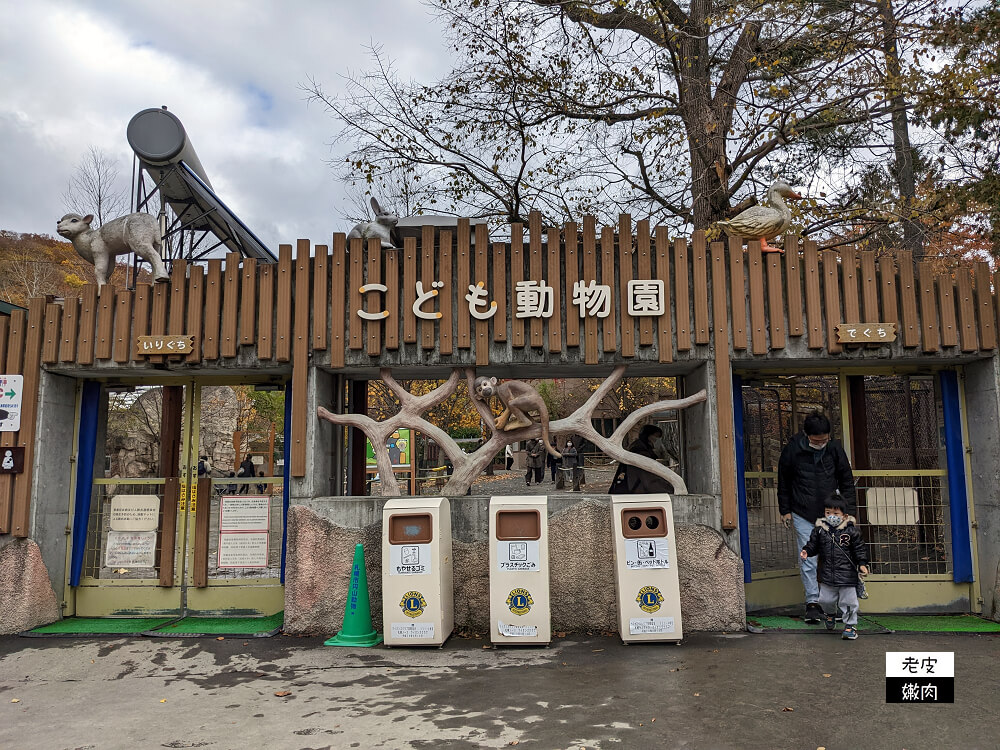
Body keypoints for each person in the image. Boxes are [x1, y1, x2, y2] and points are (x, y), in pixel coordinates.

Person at [778, 412, 856, 624]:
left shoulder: (834, 449)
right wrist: (784, 509)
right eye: (817, 440)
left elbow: (846, 480)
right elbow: (783, 480)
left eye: (824, 439)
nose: (821, 443)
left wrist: (849, 512)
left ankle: (837, 604)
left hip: (832, 513)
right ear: (807, 435)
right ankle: (812, 603)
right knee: (808, 558)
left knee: (836, 557)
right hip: (802, 511)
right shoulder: (793, 450)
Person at [800, 495, 869, 640]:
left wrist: (862, 563)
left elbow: (859, 549)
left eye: (835, 514)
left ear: (844, 516)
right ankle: (830, 614)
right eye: (828, 513)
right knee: (825, 600)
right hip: (827, 574)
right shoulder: (820, 530)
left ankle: (850, 626)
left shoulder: (852, 532)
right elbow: (813, 544)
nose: (831, 516)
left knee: (849, 602)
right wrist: (807, 550)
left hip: (847, 576)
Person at [622, 424, 673, 493]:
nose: (658, 440)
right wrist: (670, 490)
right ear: (648, 436)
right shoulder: (640, 454)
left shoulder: (643, 451)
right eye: (657, 437)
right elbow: (649, 481)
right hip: (641, 492)